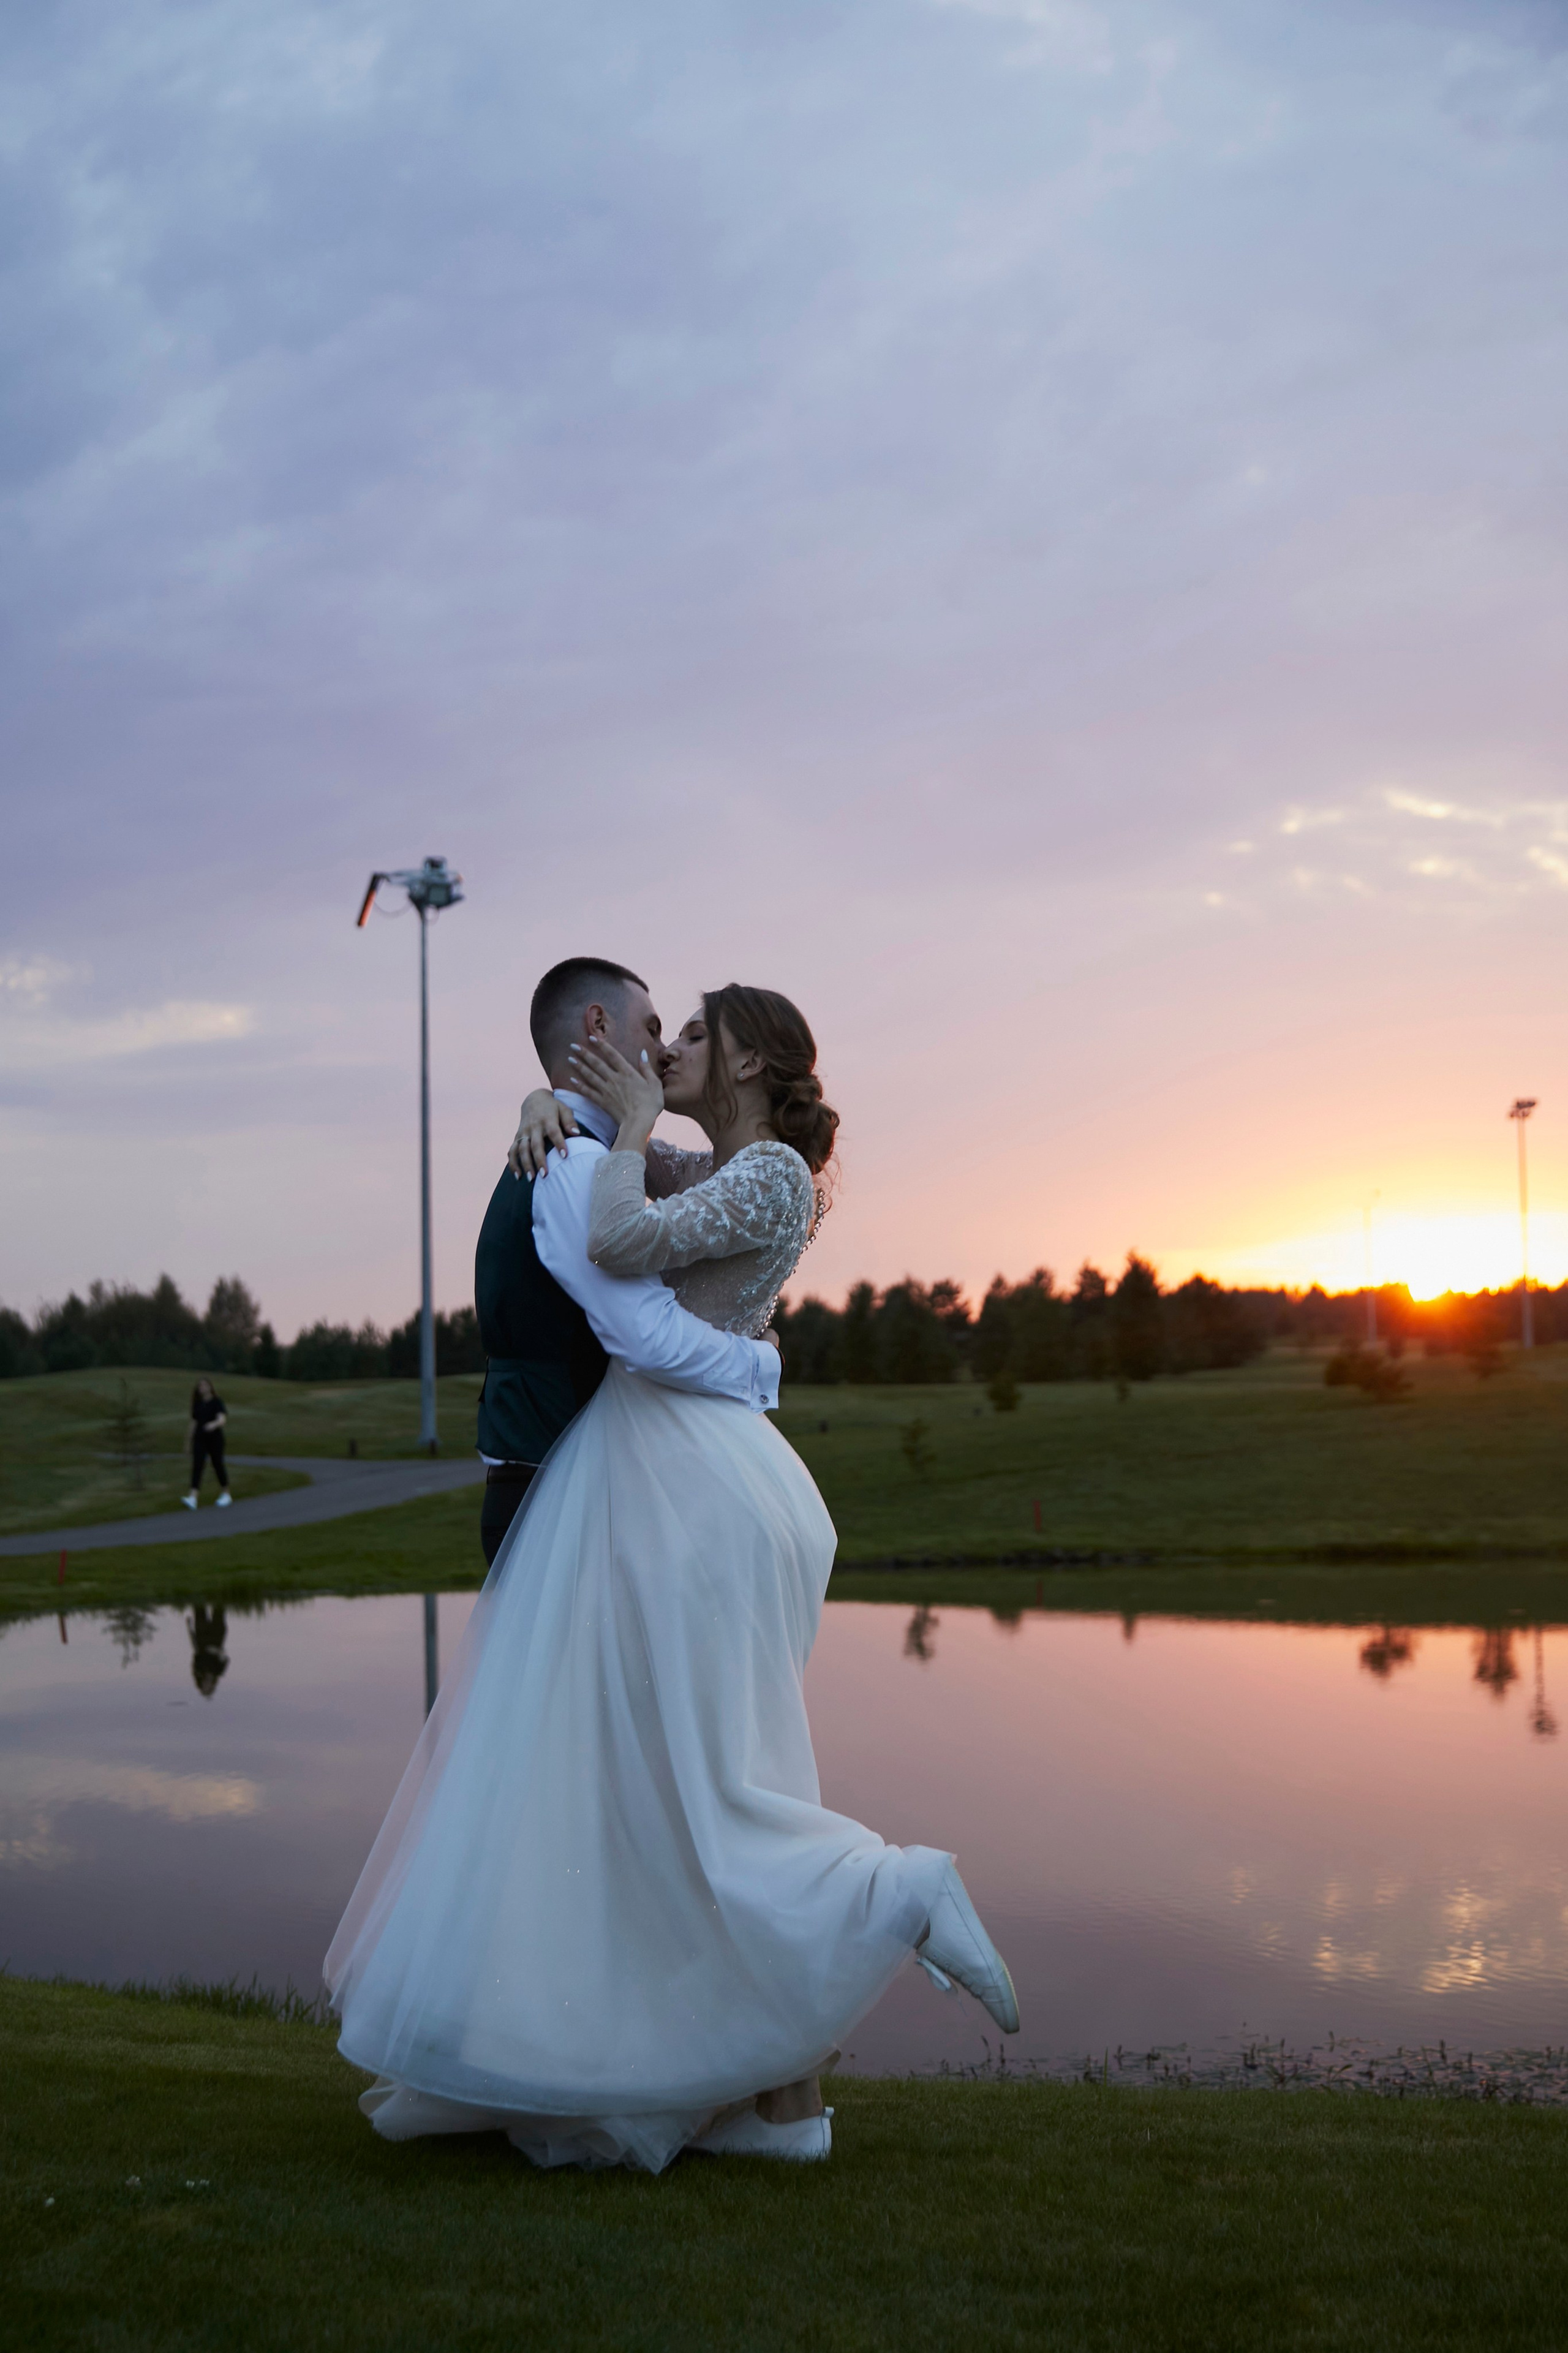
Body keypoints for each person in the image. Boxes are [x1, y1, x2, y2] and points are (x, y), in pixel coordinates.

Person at [325, 970, 1017, 2173]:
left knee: (700, 1782)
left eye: (694, 1032)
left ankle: (896, 1891)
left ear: (749, 1064)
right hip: (677, 1472)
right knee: (701, 1772)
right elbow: (623, 1199)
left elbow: (624, 1273)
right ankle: (781, 2105)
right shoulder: (708, 1166)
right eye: (661, 1030)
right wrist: (546, 1112)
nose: (673, 1046)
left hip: (682, 1480)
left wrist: (621, 1131)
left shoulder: (764, 1171)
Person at [470, 959, 777, 1567]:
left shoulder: (577, 1152)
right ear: (599, 1024)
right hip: (559, 1502)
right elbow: (648, 1335)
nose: (664, 1051)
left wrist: (539, 1097)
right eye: (655, 1028)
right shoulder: (576, 1164)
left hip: (556, 1487)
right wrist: (763, 1361)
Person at [181, 1377, 231, 1509]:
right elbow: (193, 1423)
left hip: (215, 1439)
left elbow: (222, 1420)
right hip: (200, 1439)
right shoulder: (197, 1404)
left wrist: (213, 1425)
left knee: (217, 1464)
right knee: (198, 1465)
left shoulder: (216, 1402)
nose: (202, 1388)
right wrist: (188, 1442)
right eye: (200, 1386)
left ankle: (226, 1493)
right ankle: (193, 1497)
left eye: (204, 1385)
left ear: (210, 1387)